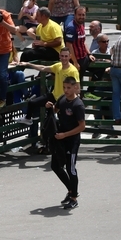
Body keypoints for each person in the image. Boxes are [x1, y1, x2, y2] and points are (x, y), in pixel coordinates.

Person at [47, 77, 85, 209]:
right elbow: (56, 110)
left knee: (71, 168)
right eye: (64, 87)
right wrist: (51, 107)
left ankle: (74, 198)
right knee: (55, 166)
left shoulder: (78, 105)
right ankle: (71, 190)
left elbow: (82, 126)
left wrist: (66, 134)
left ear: (75, 87)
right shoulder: (62, 99)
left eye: (69, 88)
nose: (66, 90)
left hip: (72, 141)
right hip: (60, 140)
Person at [17, 48, 79, 126]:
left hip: (65, 100)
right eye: (62, 56)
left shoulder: (73, 71)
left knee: (59, 123)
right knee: (32, 102)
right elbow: (43, 68)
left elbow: (77, 89)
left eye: (66, 56)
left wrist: (68, 101)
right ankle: (28, 118)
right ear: (59, 56)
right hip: (54, 96)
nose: (64, 58)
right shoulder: (58, 66)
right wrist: (28, 64)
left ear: (70, 56)